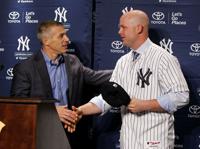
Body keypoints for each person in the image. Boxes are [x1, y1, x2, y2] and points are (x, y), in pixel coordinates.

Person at [73, 10, 189, 149]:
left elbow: (181, 95)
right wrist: (80, 110)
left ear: (139, 28)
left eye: (123, 27)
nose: (119, 32)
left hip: (155, 142)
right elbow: (108, 98)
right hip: (128, 141)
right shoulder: (123, 61)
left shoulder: (163, 58)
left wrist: (145, 104)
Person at [10, 21, 111, 149]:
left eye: (66, 35)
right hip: (39, 135)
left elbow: (96, 77)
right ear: (46, 41)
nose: (67, 39)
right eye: (61, 36)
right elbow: (18, 107)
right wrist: (51, 112)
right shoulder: (25, 68)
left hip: (70, 134)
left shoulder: (73, 61)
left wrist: (124, 70)